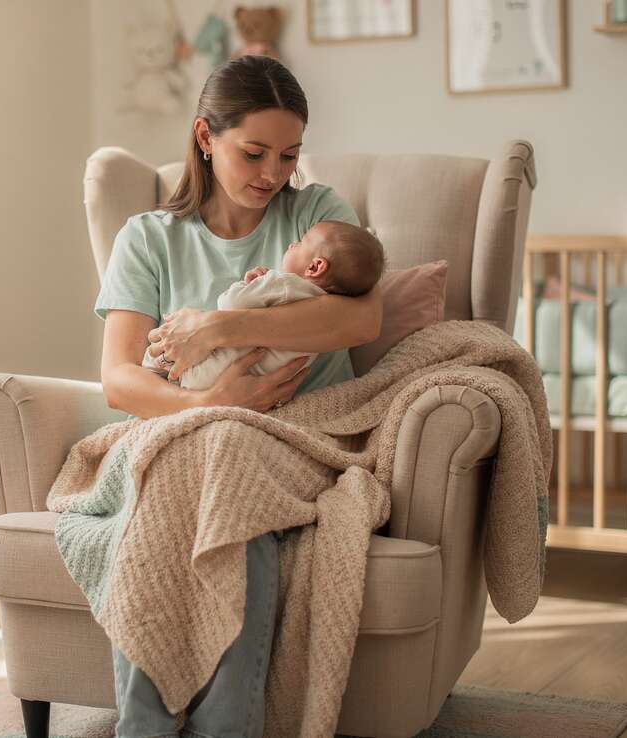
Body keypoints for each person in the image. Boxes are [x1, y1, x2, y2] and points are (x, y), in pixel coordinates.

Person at [94, 55, 382, 738]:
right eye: (254, 153)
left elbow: (361, 320)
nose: (273, 173)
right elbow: (119, 379)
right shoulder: (148, 238)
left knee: (220, 459)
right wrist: (213, 404)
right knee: (202, 464)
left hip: (307, 432)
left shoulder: (316, 215)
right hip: (195, 433)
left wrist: (220, 327)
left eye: (289, 155)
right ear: (205, 136)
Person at [140, 220, 386, 391]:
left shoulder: (285, 284)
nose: (292, 244)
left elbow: (230, 303)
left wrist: (247, 284)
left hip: (213, 372)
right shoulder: (322, 310)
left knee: (163, 344)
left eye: (301, 242)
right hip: (250, 380)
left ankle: (159, 366)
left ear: (315, 267)